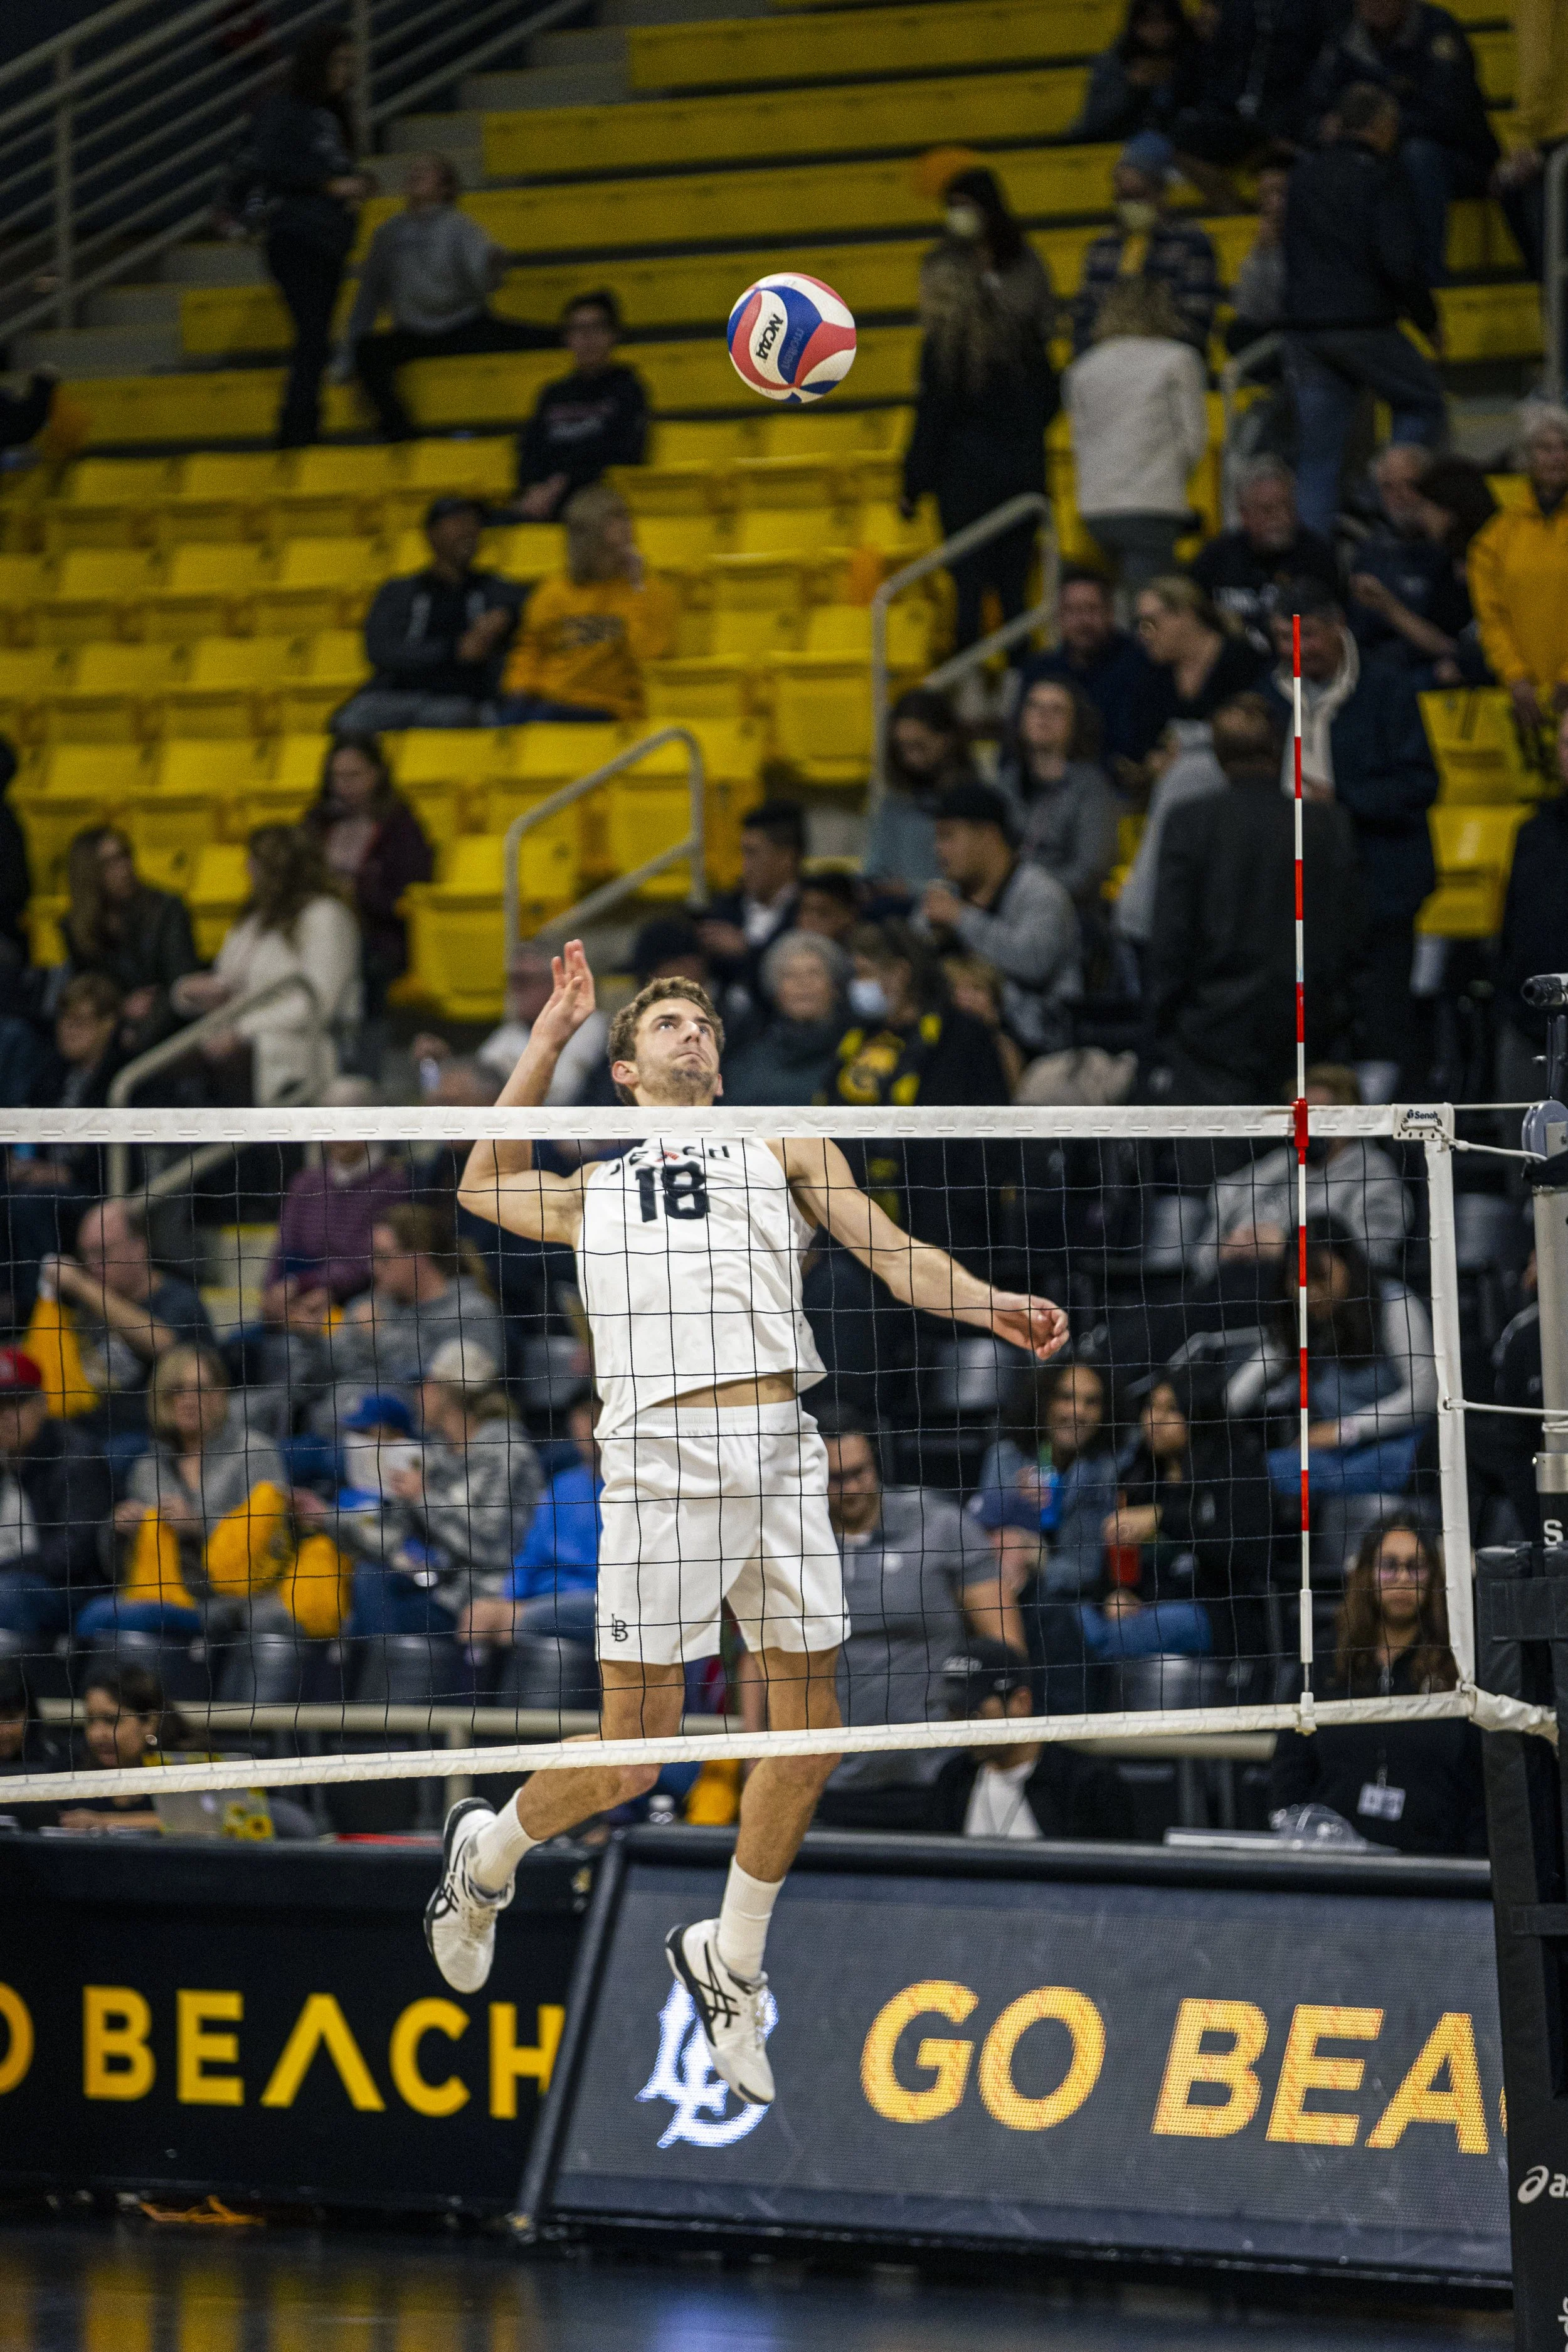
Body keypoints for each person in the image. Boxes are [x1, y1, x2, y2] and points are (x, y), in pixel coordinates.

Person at [425, 943, 1067, 2106]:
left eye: (705, 1026)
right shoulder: (597, 1182)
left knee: (808, 1735)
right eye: (668, 1025)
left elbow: (894, 1255)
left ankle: (731, 1960)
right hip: (661, 1453)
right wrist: (553, 1028)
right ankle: (490, 1855)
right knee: (638, 1751)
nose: (694, 1035)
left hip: (780, 1445)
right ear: (626, 1070)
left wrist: (995, 1307)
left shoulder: (784, 1140)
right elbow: (477, 1184)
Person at [1146, 693, 1364, 1103]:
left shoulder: (1190, 823)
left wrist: (1167, 1021)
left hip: (1210, 1035)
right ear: (1280, 747)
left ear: (1218, 754)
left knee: (1217, 1164)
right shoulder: (1327, 825)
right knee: (1303, 1166)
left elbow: (1170, 938)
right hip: (1307, 1027)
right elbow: (1348, 932)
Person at [1264, 583, 1439, 1091]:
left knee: (1385, 1030)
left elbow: (1420, 784)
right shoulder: (1265, 698)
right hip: (1297, 900)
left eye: (1308, 636)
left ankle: (1380, 1150)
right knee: (1310, 1034)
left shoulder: (1388, 688)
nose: (1296, 650)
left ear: (1337, 624)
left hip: (1381, 893)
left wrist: (1339, 800)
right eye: (1282, 638)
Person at [80, 1343, 334, 1687]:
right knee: (94, 1616)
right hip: (162, 1594)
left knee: (101, 1616)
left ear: (221, 1395)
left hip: (234, 1602)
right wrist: (120, 1531)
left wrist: (199, 1526)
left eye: (201, 1389)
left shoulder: (254, 1453)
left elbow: (272, 1548)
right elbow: (121, 1573)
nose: (189, 1400)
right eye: (177, 1390)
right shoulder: (147, 1469)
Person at [813, 1416, 1008, 1831]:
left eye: (858, 1472)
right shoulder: (793, 1541)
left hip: (938, 1773)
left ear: (878, 1465)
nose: (849, 1489)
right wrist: (756, 1757)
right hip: (825, 1778)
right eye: (833, 1478)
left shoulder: (941, 1525)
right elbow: (758, 1663)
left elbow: (1004, 1646)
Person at [1282, 85, 1448, 541]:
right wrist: (1428, 320)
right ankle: (1383, 501)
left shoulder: (1304, 175)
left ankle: (1311, 568)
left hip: (1304, 331)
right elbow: (1398, 260)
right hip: (1363, 324)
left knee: (1317, 458)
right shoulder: (1381, 176)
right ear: (1381, 126)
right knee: (1422, 401)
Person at [901, 165, 1056, 653]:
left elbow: (933, 410)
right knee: (998, 595)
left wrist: (914, 480)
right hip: (1005, 472)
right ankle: (1004, 690)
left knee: (985, 591)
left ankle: (998, 694)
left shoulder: (961, 345)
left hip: (977, 476)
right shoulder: (1016, 350)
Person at [1269, 1515, 1484, 1853]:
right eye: (1389, 1566)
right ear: (1368, 1573)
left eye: (1416, 1567)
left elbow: (1479, 1781)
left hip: (1435, 1863)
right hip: (1333, 1863)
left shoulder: (1460, 1664)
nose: (1401, 1578)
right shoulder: (1326, 1657)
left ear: (1433, 1579)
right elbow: (1290, 1765)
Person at [333, 1335, 541, 1658]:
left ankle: (385, 1700)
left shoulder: (508, 1454)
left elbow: (493, 1548)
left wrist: (423, 1498)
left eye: (425, 1385)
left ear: (451, 1392)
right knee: (365, 1581)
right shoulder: (435, 1455)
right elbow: (395, 1536)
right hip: (436, 1586)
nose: (417, 1395)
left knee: (374, 1595)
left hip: (482, 1599)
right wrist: (331, 1521)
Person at [339, 153, 553, 440]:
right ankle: (401, 435)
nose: (416, 174)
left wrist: (492, 265)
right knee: (368, 352)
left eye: (427, 171)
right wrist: (347, 360)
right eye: (413, 170)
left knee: (543, 338)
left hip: (462, 326)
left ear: (445, 187)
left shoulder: (461, 226)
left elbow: (483, 278)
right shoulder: (387, 234)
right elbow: (367, 300)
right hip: (412, 331)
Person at [1303, 0, 1498, 290]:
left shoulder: (1437, 30)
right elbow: (1313, 109)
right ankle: (1332, 286)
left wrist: (1383, 126)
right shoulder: (1343, 38)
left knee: (1419, 156)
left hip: (1452, 158)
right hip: (1374, 155)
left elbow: (1451, 115)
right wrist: (1326, 127)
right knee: (1315, 164)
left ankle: (1427, 281)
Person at [1230, 1219, 1438, 1491]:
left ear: (1348, 1267)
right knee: (1260, 1474)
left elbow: (1425, 1395)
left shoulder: (1395, 1305)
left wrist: (1345, 1431)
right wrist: (1206, 1418)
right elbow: (1242, 1388)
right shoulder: (1301, 1322)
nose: (1310, 1293)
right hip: (1335, 1454)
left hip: (1400, 1443)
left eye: (1320, 1277)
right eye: (1299, 1281)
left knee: (1359, 1471)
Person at [171, 826, 362, 1106]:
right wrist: (189, 992)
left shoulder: (326, 917)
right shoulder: (253, 920)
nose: (247, 869)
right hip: (234, 1041)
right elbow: (225, 980)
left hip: (296, 1050)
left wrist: (242, 1031)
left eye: (255, 862)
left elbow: (318, 1003)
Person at [248, 26, 374, 448]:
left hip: (329, 240)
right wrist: (330, 186)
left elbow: (335, 171)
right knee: (313, 335)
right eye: (339, 62)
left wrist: (356, 189)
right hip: (297, 235)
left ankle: (301, 425)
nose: (345, 72)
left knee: (316, 336)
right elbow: (270, 167)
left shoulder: (336, 115)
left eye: (350, 64)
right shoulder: (287, 107)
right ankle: (297, 430)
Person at [1186, 1063, 1412, 1285]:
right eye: (1299, 1116)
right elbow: (1221, 1212)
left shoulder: (1374, 1173)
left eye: (1316, 1116)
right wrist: (1223, 1250)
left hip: (1314, 1298)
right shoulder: (1278, 1164)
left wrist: (1287, 1249)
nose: (1305, 1126)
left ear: (1347, 1118)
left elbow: (1371, 1254)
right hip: (1234, 1286)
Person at [1063, 275, 1209, 600]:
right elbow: (1193, 439)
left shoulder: (1083, 368)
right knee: (1150, 610)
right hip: (1152, 502)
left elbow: (1079, 439)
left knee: (1114, 609)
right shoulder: (1178, 359)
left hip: (1096, 508)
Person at [335, 497, 526, 733]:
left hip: (463, 699)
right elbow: (380, 650)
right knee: (350, 720)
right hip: (397, 696)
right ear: (431, 534)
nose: (469, 530)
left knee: (456, 717)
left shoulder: (494, 589)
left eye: (474, 523)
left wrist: (507, 615)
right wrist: (454, 650)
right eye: (458, 522)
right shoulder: (399, 592)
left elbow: (534, 604)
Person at [919, 783, 1081, 1059]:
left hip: (1038, 1043)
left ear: (989, 836)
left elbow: (1034, 962)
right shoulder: (948, 894)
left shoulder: (1041, 893)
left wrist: (962, 919)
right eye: (937, 838)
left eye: (948, 836)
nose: (939, 849)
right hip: (951, 1037)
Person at [495, 484, 677, 726]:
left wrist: (636, 588)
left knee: (541, 721)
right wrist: (520, 687)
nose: (625, 529)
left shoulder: (649, 590)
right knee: (504, 727)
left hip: (609, 709)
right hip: (550, 700)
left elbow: (650, 654)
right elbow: (532, 647)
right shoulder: (555, 590)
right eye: (613, 520)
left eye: (624, 517)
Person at [38, 1199, 214, 1446]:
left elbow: (163, 1342)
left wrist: (81, 1286)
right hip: (86, 1429)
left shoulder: (181, 1302)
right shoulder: (88, 1304)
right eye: (86, 1254)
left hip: (147, 1439)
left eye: (103, 1253)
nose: (92, 1265)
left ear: (139, 1247)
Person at [316, 1202, 506, 1423]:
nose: (373, 1268)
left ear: (419, 1256)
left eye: (383, 1257)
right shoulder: (371, 1305)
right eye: (372, 1257)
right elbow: (333, 1369)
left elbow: (451, 1383)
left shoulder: (471, 1311)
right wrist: (309, 1336)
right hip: (343, 1429)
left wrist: (381, 1335)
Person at [924, 1641, 1135, 1839]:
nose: (962, 1726)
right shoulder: (953, 1778)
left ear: (1021, 1703)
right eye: (954, 1712)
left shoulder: (1086, 1783)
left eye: (973, 1713)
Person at [259, 1074, 411, 1328]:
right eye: (329, 1125)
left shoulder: (392, 1185)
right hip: (298, 1298)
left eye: (345, 1125)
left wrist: (316, 1287)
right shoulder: (306, 1183)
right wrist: (274, 1294)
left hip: (361, 1306)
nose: (335, 1136)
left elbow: (372, 1262)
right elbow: (283, 1251)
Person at [301, 735, 432, 1012]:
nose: (344, 786)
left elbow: (408, 896)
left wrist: (356, 892)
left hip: (376, 935)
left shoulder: (401, 828)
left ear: (377, 774)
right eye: (337, 777)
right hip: (315, 927)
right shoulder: (317, 821)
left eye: (354, 775)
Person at [468, 1394, 602, 1653]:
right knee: (478, 1616)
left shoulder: (635, 1489)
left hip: (598, 1602)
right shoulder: (561, 1486)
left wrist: (519, 1611)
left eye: (599, 1412)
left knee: (521, 1621)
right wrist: (507, 1600)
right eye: (584, 1414)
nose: (593, 1424)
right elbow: (531, 1554)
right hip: (546, 1599)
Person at [1468, 404, 1568, 746]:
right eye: (1545, 448)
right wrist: (1515, 678)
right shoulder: (1496, 537)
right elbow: (1491, 617)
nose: (1557, 457)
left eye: (1564, 446)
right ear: (1527, 457)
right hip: (1524, 698)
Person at [0, 1344, 113, 1644]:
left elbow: (73, 1553)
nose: (7, 1416)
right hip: (13, 1580)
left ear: (42, 1403)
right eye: (0, 1406)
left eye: (18, 1403)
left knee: (9, 1594)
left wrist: (5, 1570)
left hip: (70, 1592)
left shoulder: (76, 1456)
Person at [1348, 453, 1496, 681]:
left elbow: (1457, 646)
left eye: (1411, 486)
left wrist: (1388, 607)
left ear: (1450, 511)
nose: (1404, 498)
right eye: (1388, 487)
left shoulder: (1487, 559)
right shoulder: (1371, 551)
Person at [1069, 131, 1219, 356]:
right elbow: (1084, 319)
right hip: (1107, 362)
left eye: (1138, 196)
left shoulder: (1191, 242)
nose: (1131, 204)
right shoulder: (1102, 247)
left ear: (1161, 193)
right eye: (1123, 197)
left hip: (1168, 361)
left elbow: (1197, 320)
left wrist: (1140, 351)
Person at [508, 291, 649, 522]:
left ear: (613, 335)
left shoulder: (628, 389)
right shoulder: (553, 394)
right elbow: (530, 449)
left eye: (596, 328)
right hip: (546, 498)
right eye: (578, 329)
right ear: (567, 338)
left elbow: (624, 452)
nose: (587, 338)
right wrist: (535, 487)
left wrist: (563, 481)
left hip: (598, 498)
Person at [61, 827, 198, 1056]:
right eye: (110, 864)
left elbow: (181, 987)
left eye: (125, 857)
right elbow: (87, 989)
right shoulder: (77, 926)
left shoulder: (166, 910)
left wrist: (135, 1024)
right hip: (110, 1024)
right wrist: (121, 1008)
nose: (123, 870)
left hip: (162, 1026)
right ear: (89, 873)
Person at [995, 679, 1121, 917]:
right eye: (1034, 706)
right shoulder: (1007, 782)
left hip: (1066, 913)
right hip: (1004, 906)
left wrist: (1026, 895)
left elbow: (1089, 872)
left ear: (1076, 724)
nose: (1044, 716)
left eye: (1057, 710)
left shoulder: (1092, 789)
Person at [1189, 460, 1338, 655]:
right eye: (1268, 510)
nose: (1281, 518)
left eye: (1287, 507)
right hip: (1227, 668)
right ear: (1245, 515)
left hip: (1293, 665)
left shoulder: (1316, 557)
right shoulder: (1216, 557)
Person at [1496, 710, 1568, 1104]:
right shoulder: (1532, 832)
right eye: (1565, 743)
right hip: (1531, 1030)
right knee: (1529, 1162)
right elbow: (1514, 931)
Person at [1016, 567, 1153, 772]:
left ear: (1110, 613)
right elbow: (1017, 742)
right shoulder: (1040, 670)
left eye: (1091, 609)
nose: (1082, 621)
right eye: (1072, 610)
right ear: (1060, 616)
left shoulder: (1138, 664)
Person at [1111, 719, 1226, 958]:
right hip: (1155, 921)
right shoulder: (1193, 770)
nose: (1155, 760)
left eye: (1164, 749)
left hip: (1154, 924)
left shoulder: (1194, 771)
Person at [1129, 576, 1267, 753]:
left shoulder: (1241, 661)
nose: (1144, 635)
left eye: (1150, 623)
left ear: (1185, 614)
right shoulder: (1153, 672)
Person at [863, 687, 978, 890]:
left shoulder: (976, 803)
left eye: (919, 746)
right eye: (902, 749)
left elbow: (980, 884)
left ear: (947, 739)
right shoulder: (893, 804)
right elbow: (874, 870)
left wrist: (911, 890)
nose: (910, 759)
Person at [55, 1662, 188, 1833]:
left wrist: (103, 1822)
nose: (96, 1734)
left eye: (112, 1721)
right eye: (91, 1721)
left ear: (150, 1723)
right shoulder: (70, 1768)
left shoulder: (185, 1767)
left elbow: (195, 1822)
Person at [721, 932, 849, 1107]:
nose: (803, 983)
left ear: (835, 987)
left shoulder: (859, 1049)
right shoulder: (747, 1061)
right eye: (790, 975)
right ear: (775, 993)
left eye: (814, 973)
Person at [696, 798, 805, 1002]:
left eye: (752, 854)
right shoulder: (724, 911)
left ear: (786, 858)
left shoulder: (809, 913)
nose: (745, 866)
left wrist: (747, 952)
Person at [1070, 0, 1204, 146]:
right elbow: (1094, 121)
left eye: (1165, 22)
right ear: (1135, 25)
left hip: (1177, 144)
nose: (1157, 30)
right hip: (1120, 142)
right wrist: (1132, 88)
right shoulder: (1114, 61)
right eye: (1148, 22)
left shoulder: (1193, 58)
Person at [793, 867, 862, 946]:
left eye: (822, 913)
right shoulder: (785, 950)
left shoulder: (862, 955)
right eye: (805, 911)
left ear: (848, 916)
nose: (810, 921)